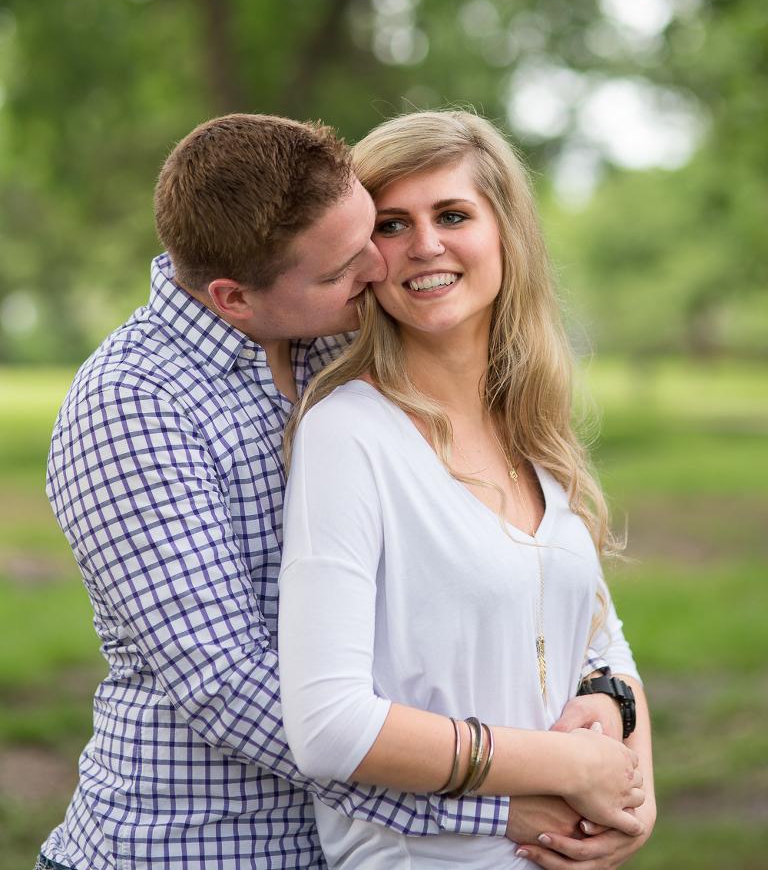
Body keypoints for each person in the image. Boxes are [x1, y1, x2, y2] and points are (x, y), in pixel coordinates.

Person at [37, 113, 621, 870]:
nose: (378, 271)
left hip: (353, 845)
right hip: (195, 845)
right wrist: (495, 801)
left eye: (365, 240)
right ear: (233, 298)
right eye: (344, 266)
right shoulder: (133, 405)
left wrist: (610, 711)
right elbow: (227, 685)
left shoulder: (329, 338)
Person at [279, 110, 656, 869]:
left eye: (453, 214)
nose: (425, 245)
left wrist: (633, 798)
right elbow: (329, 725)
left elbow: (603, 646)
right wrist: (570, 769)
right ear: (363, 254)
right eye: (392, 224)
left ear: (505, 234)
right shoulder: (348, 432)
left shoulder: (533, 430)